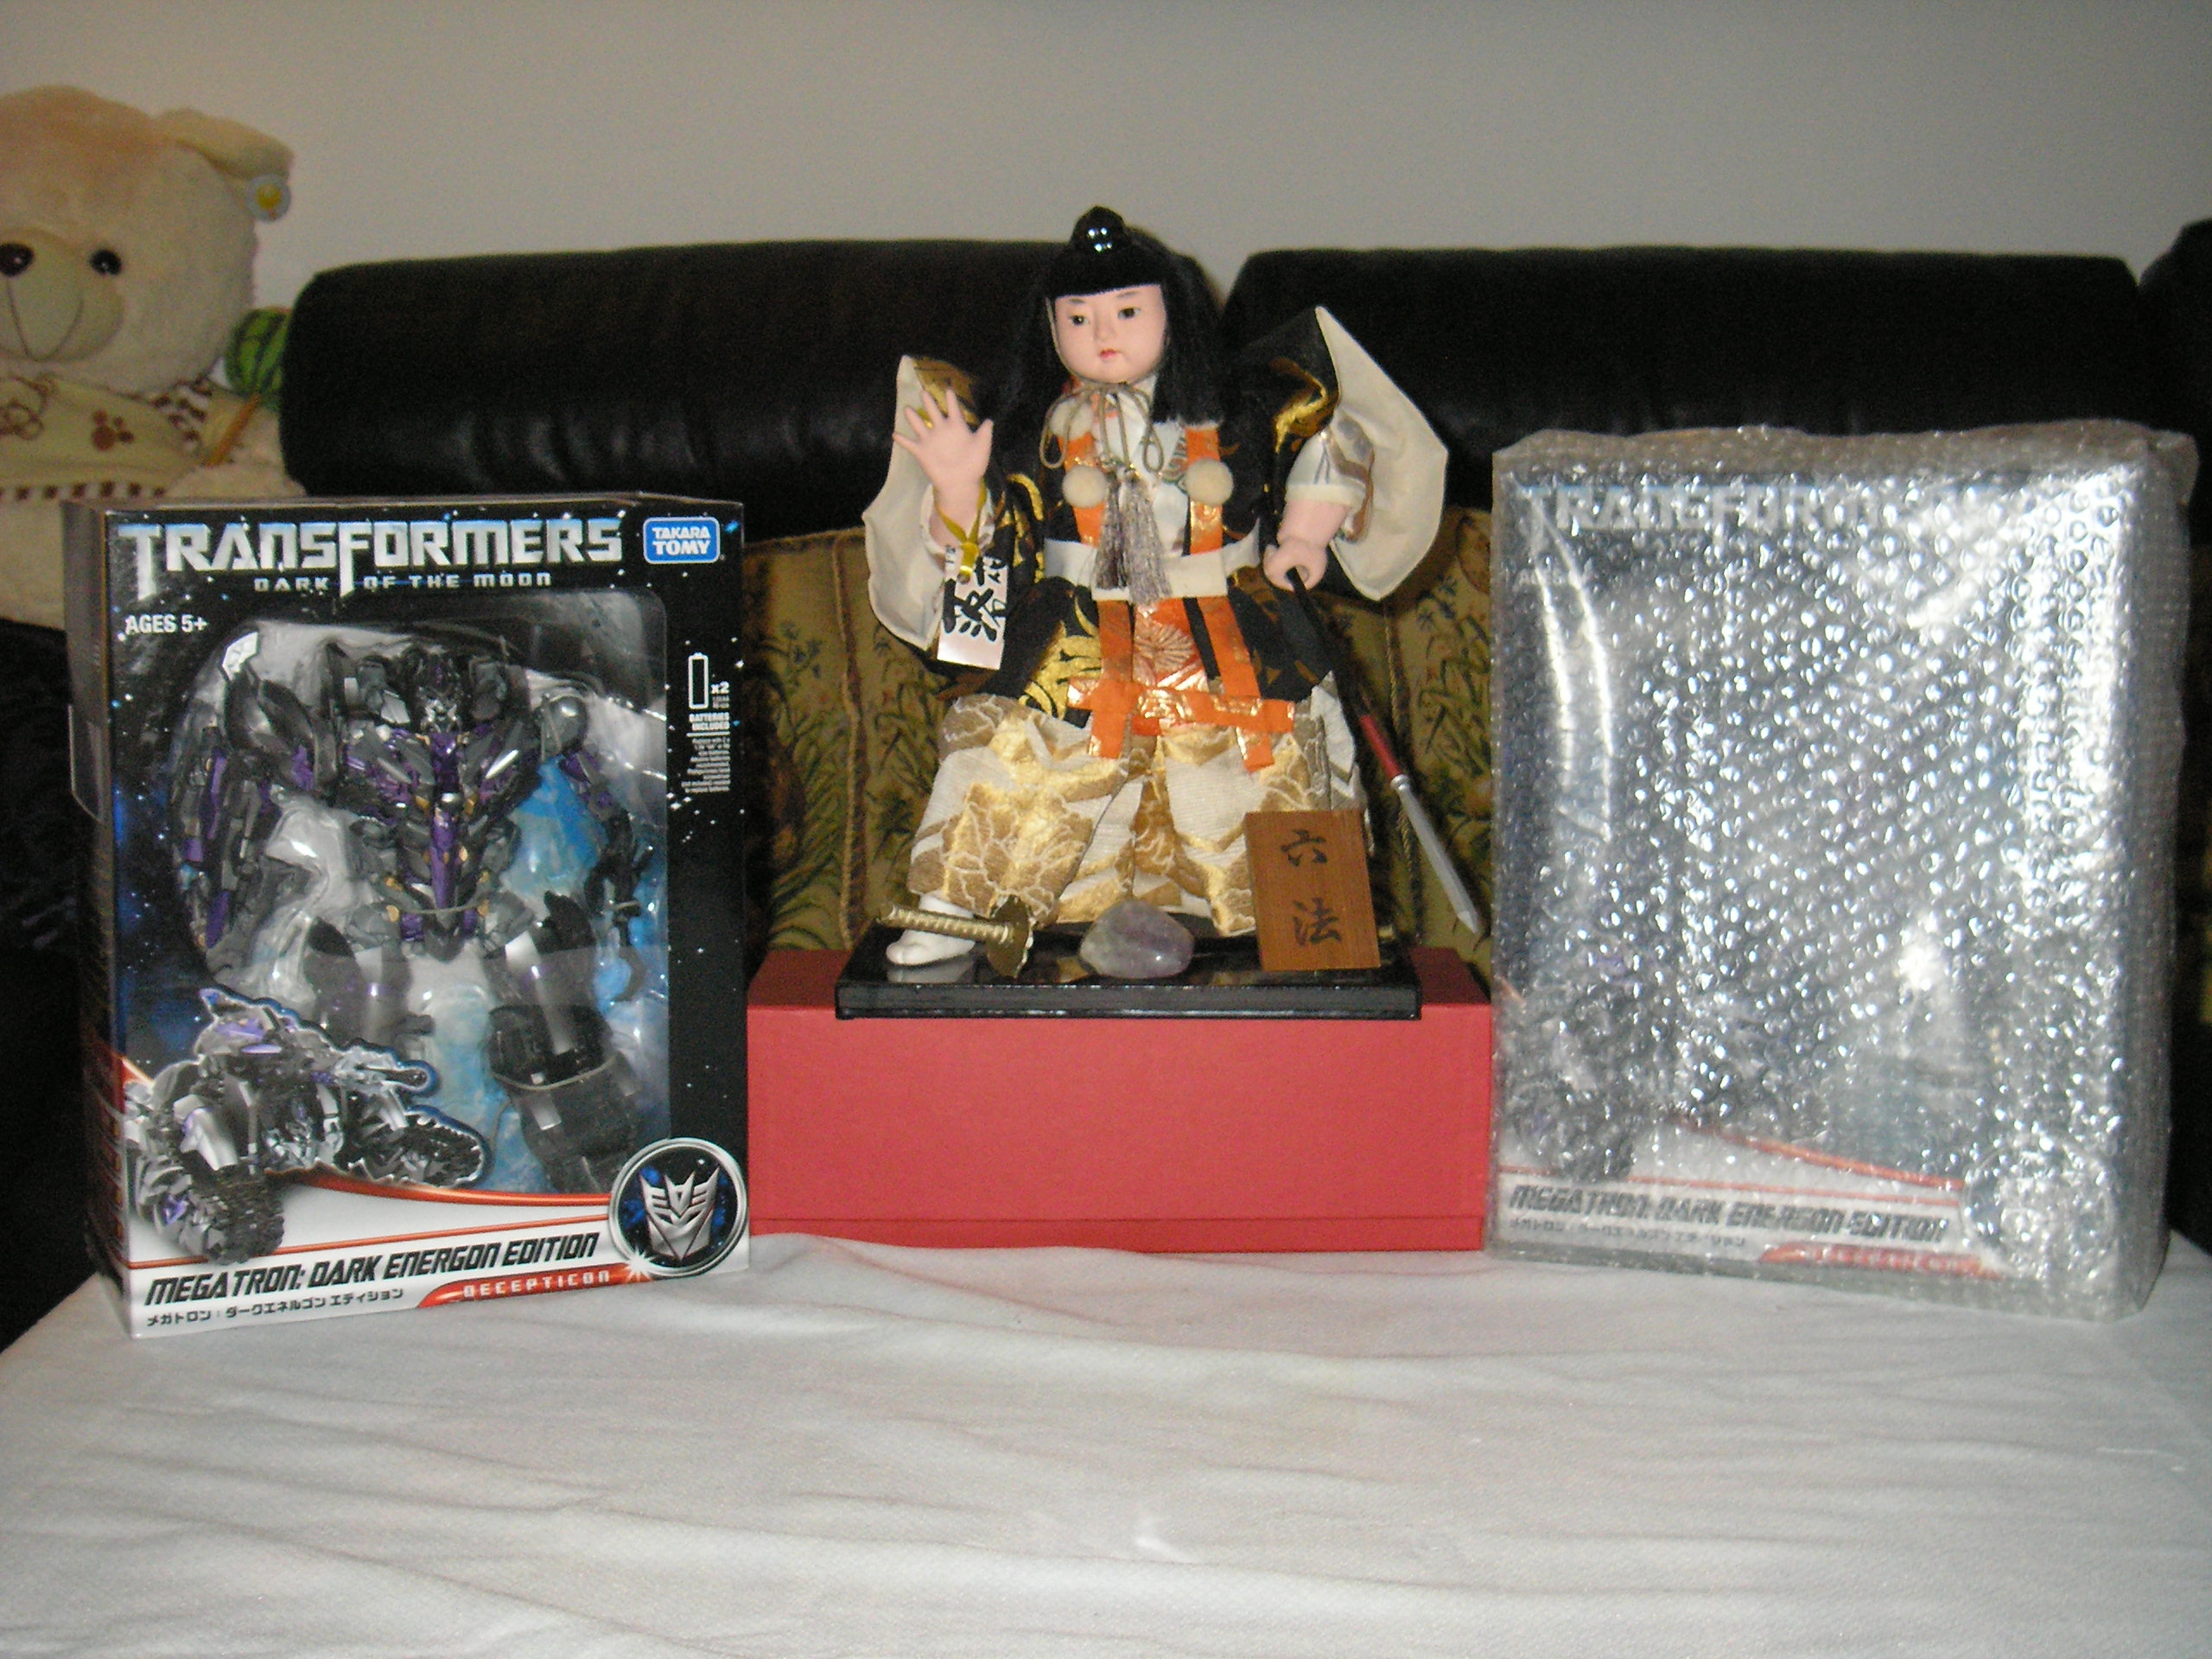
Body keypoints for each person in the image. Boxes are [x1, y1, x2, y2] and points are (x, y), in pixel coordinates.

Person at [863, 207, 1445, 964]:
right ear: (1051, 328)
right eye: (1078, 318)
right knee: (1010, 755)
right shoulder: (1032, 433)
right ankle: (958, 908)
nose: (1103, 333)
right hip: (1075, 633)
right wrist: (954, 488)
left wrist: (1304, 535)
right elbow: (990, 547)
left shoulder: (1241, 411)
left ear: (1174, 315)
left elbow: (1333, 442)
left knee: (1264, 763)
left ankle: (1299, 923)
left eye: (1128, 312)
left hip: (1225, 627)